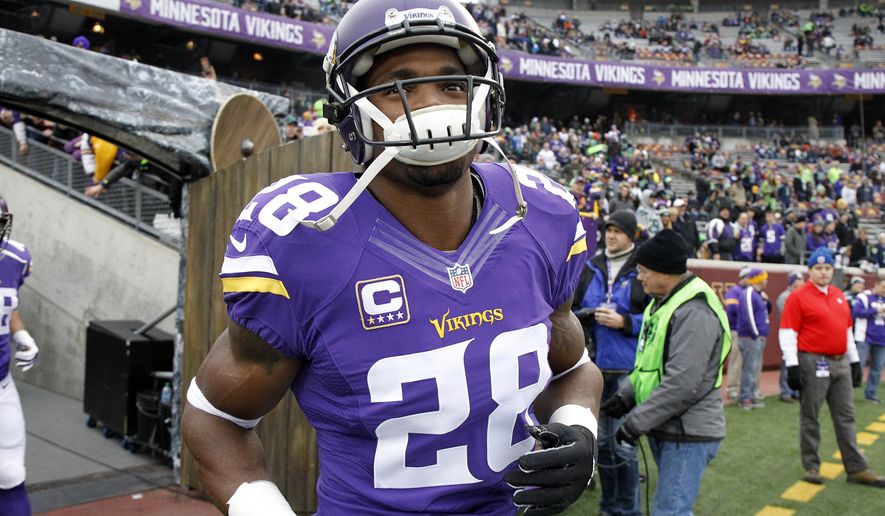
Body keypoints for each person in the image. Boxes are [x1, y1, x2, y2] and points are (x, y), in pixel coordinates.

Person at [180, 2, 603, 514]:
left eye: (452, 84)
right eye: (397, 86)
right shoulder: (303, 240)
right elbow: (216, 415)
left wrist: (578, 425)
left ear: (483, 96)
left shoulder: (537, 215)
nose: (431, 106)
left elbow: (572, 367)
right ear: (351, 111)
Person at [602, 230, 730, 515]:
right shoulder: (663, 302)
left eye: (643, 270)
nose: (639, 277)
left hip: (687, 431)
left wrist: (636, 422)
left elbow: (682, 383)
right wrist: (625, 396)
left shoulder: (694, 311)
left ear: (664, 271)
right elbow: (647, 363)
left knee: (669, 512)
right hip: (669, 425)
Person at [779, 248, 885, 487]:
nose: (823, 272)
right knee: (811, 415)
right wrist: (792, 365)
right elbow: (788, 332)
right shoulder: (798, 296)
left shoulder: (838, 295)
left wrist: (854, 360)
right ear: (810, 271)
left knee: (846, 415)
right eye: (818, 268)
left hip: (840, 361)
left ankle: (857, 468)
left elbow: (846, 330)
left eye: (827, 268)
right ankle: (812, 465)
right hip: (813, 360)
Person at [577, 210, 645, 516]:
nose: (611, 235)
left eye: (618, 231)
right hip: (595, 367)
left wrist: (625, 322)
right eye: (608, 230)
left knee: (623, 444)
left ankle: (628, 509)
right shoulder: (591, 266)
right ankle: (608, 507)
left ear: (631, 235)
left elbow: (657, 319)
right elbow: (571, 311)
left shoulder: (642, 269)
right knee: (602, 444)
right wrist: (586, 316)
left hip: (627, 368)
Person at [0, 195, 39, 516]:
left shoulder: (14, 258)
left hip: (1, 385)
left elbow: (8, 306)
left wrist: (21, 335)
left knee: (10, 472)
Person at [735, 269, 771, 410]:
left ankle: (751, 395)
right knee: (749, 369)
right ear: (758, 279)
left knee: (754, 369)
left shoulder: (758, 294)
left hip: (758, 337)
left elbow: (766, 311)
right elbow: (748, 315)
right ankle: (745, 398)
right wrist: (755, 334)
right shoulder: (749, 293)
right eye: (764, 278)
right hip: (750, 338)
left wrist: (766, 300)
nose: (766, 281)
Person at [852, 278, 885, 404]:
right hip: (864, 337)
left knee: (877, 368)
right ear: (876, 285)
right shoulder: (864, 296)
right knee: (858, 366)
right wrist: (876, 310)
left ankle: (871, 394)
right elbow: (856, 312)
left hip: (881, 338)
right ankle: (847, 392)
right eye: (883, 287)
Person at [776, 271, 804, 403]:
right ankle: (786, 391)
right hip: (789, 334)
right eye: (799, 280)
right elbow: (787, 317)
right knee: (787, 362)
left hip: (801, 335)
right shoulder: (784, 296)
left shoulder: (802, 295)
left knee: (798, 363)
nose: (802, 282)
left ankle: (795, 391)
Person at [724, 267, 751, 400]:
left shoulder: (751, 292)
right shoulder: (734, 291)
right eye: (749, 277)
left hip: (748, 332)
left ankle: (747, 389)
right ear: (743, 278)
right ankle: (732, 388)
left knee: (749, 363)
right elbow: (731, 309)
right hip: (736, 330)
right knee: (736, 360)